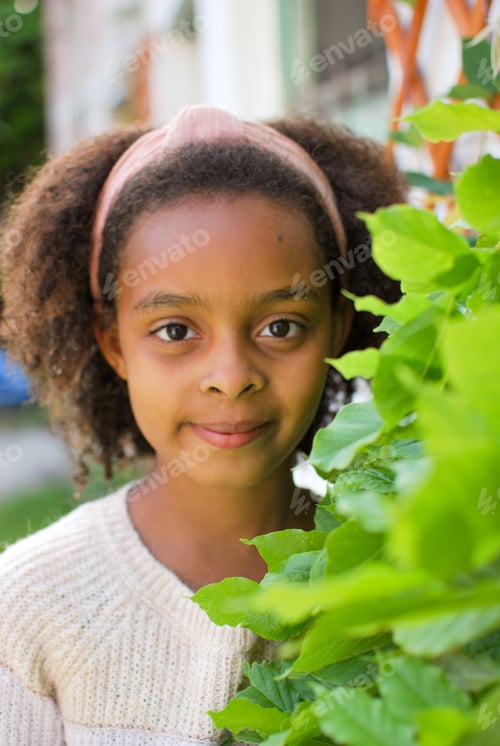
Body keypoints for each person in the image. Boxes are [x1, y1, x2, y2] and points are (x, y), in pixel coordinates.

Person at [0, 105, 406, 744]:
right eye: (175, 331)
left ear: (336, 326)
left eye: (281, 327)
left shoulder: (406, 576)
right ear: (113, 343)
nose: (231, 375)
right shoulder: (27, 610)